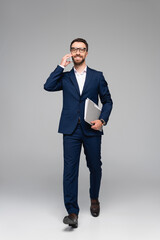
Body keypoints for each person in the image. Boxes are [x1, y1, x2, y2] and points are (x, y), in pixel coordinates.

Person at [44, 38, 113, 228]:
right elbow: (48, 86)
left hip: (91, 129)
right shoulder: (65, 77)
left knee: (95, 166)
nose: (77, 53)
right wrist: (60, 66)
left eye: (81, 49)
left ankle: (94, 199)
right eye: (74, 49)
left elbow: (108, 101)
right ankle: (72, 213)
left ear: (87, 53)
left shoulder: (97, 76)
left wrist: (102, 120)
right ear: (70, 52)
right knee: (70, 170)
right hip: (70, 130)